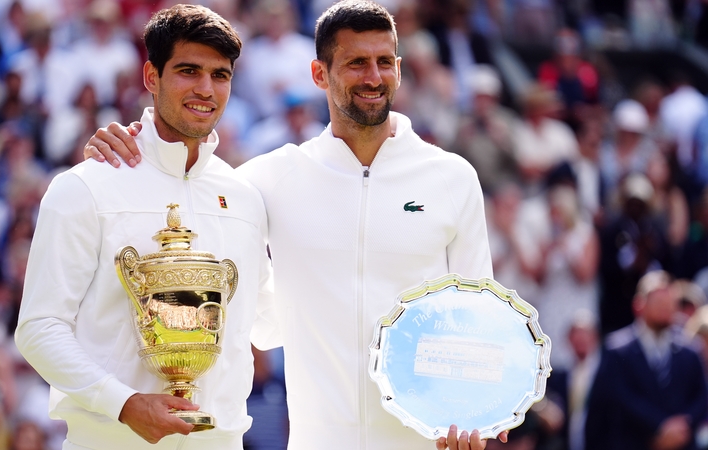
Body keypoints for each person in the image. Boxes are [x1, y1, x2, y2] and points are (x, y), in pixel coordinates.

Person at [84, 2, 508, 449]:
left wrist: (477, 415)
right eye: (356, 63)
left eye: (385, 62)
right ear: (319, 74)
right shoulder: (267, 179)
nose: (373, 77)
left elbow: (479, 321)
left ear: (399, 70)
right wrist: (134, 143)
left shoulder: (453, 178)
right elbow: (185, 181)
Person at [14, 5, 273, 450]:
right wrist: (126, 404)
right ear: (151, 77)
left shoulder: (244, 197)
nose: (206, 89)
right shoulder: (85, 186)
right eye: (189, 71)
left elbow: (268, 324)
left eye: (220, 75)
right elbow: (39, 329)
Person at [585, 270, 708, 450]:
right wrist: (660, 427)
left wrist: (682, 426)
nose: (665, 308)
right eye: (659, 302)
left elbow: (701, 398)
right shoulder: (617, 351)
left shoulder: (690, 351)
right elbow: (615, 401)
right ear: (638, 305)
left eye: (670, 303)